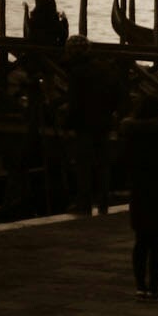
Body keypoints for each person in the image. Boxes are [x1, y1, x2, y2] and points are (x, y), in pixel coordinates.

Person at [120, 96, 158, 301]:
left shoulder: (130, 134)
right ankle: (154, 288)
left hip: (140, 190)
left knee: (141, 241)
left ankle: (140, 287)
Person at [63, 37, 125, 218]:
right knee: (102, 163)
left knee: (84, 164)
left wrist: (67, 123)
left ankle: (84, 202)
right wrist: (113, 113)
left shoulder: (76, 72)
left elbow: (74, 102)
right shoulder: (104, 68)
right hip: (104, 121)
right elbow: (118, 94)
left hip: (84, 123)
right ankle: (103, 200)